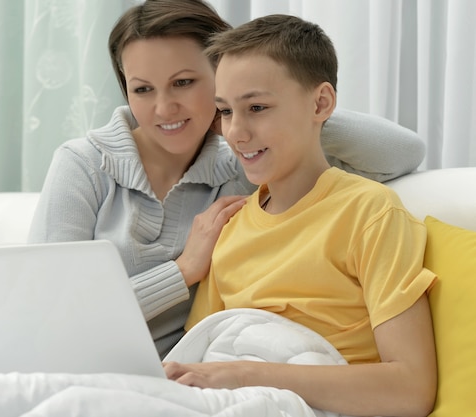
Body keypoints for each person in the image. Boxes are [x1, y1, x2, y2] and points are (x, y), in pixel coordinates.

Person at [28, 0, 426, 359]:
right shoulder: (83, 165)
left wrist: (272, 106)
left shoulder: (244, 166)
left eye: (184, 82)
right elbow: (47, 317)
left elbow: (402, 152)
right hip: (74, 364)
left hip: (182, 381)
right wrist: (183, 271)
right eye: (142, 89)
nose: (164, 108)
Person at [163, 14, 438, 417]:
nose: (235, 132)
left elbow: (411, 390)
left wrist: (244, 375)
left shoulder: (368, 212)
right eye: (224, 111)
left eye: (256, 107)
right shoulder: (230, 228)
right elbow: (201, 360)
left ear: (321, 103)